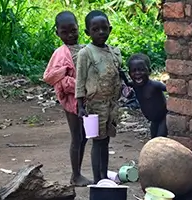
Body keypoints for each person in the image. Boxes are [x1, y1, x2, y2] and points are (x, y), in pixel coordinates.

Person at [43, 11, 91, 187]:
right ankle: (75, 175)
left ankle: (77, 173)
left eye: (73, 30)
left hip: (88, 101)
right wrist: (78, 85)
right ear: (57, 33)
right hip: (72, 102)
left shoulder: (86, 48)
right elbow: (53, 78)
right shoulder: (60, 53)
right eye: (64, 32)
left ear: (79, 28)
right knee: (76, 137)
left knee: (85, 137)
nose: (70, 35)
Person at [75, 10, 122, 184]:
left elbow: (118, 75)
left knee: (106, 140)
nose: (101, 32)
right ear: (88, 33)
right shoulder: (85, 53)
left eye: (104, 28)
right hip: (94, 106)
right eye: (95, 29)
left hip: (111, 105)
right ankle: (98, 180)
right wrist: (80, 106)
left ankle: (103, 177)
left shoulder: (114, 52)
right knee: (97, 141)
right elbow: (80, 81)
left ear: (110, 29)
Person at [124, 53, 168, 139]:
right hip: (153, 120)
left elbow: (171, 90)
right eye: (134, 71)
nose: (137, 73)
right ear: (129, 73)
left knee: (159, 139)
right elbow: (126, 83)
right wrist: (121, 74)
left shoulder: (155, 85)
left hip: (164, 117)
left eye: (141, 70)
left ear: (149, 71)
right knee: (153, 140)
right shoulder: (134, 85)